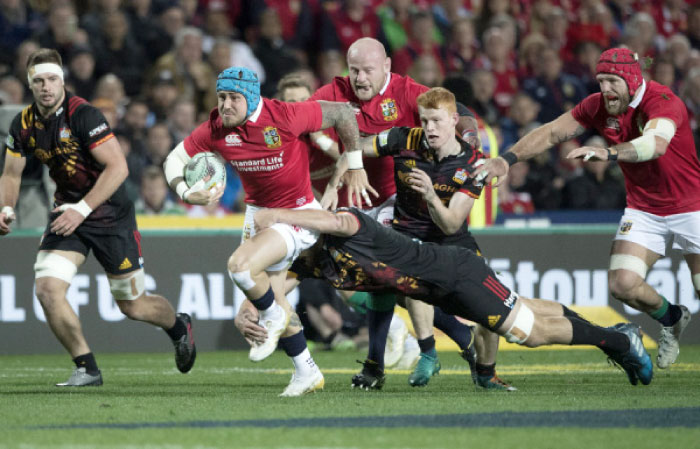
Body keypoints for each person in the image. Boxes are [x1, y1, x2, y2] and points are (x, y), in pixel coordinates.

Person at [241, 206, 654, 388]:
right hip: (443, 290)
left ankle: (620, 341)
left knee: (528, 333)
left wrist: (279, 216)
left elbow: (330, 217)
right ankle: (617, 336)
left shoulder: (348, 224)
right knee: (523, 310)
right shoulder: (307, 263)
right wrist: (250, 309)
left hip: (457, 274)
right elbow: (271, 287)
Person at [472, 47, 694, 370]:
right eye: (600, 80)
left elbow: (655, 144)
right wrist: (506, 159)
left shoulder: (662, 101)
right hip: (645, 208)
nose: (604, 88)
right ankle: (672, 318)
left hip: (691, 206)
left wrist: (610, 154)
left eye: (612, 81)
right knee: (623, 284)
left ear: (631, 78)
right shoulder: (597, 106)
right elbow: (551, 132)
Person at [162, 65, 373, 397]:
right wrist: (188, 193)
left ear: (250, 97)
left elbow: (345, 113)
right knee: (269, 296)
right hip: (258, 214)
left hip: (297, 214)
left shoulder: (286, 115)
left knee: (239, 267)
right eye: (221, 97)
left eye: (233, 98)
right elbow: (174, 159)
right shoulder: (217, 127)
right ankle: (306, 371)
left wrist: (356, 163)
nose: (225, 105)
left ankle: (274, 316)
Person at [312, 37, 508, 389]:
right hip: (352, 198)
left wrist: (471, 133)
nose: (359, 78)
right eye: (353, 70)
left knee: (388, 277)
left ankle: (381, 363)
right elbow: (307, 120)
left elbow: (455, 108)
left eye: (367, 70)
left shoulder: (406, 91)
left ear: (386, 66)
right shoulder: (335, 90)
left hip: (393, 199)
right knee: (379, 280)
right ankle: (457, 339)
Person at [0, 48, 196, 386]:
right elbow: (11, 174)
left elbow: (118, 167)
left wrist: (83, 210)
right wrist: (6, 207)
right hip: (67, 212)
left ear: (62, 80)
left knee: (133, 306)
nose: (46, 86)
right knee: (47, 288)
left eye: (52, 79)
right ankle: (86, 367)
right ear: (30, 85)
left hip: (109, 214)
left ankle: (178, 326)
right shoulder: (23, 124)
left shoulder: (84, 115)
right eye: (39, 81)